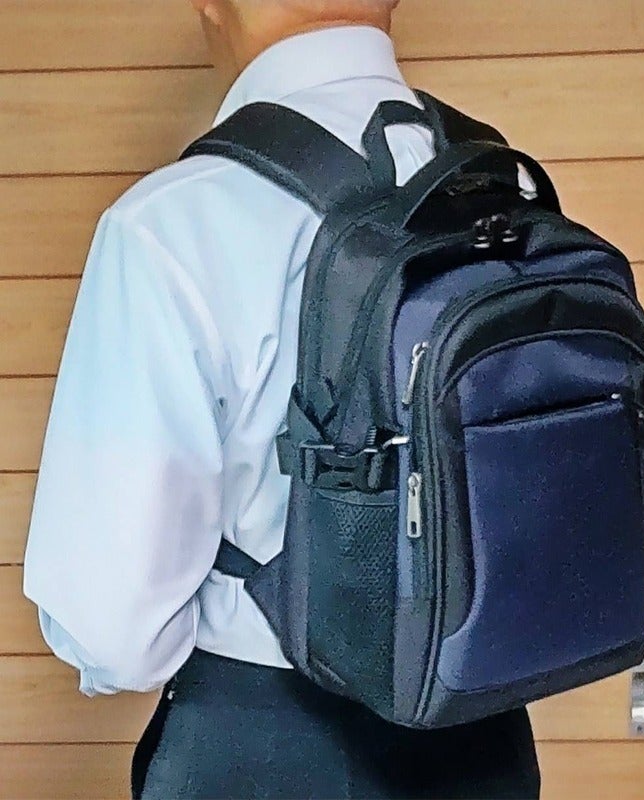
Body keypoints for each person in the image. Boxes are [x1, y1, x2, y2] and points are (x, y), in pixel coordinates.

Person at [21, 2, 541, 797]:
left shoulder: (175, 221)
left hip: (267, 741)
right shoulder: (507, 188)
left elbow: (116, 634)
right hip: (484, 730)